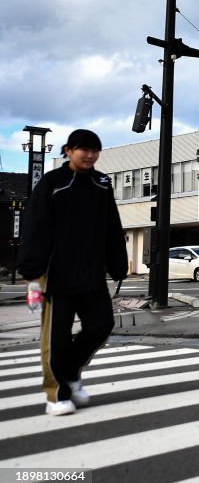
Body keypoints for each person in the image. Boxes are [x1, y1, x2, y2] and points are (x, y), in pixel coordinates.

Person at [16, 129, 128, 416]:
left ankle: (69, 372)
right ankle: (57, 393)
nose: (90, 155)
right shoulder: (52, 183)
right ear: (68, 151)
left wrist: (118, 264)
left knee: (102, 325)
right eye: (84, 150)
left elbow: (112, 226)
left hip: (91, 273)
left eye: (95, 150)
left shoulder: (102, 183)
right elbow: (35, 227)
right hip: (56, 275)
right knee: (56, 338)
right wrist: (32, 273)